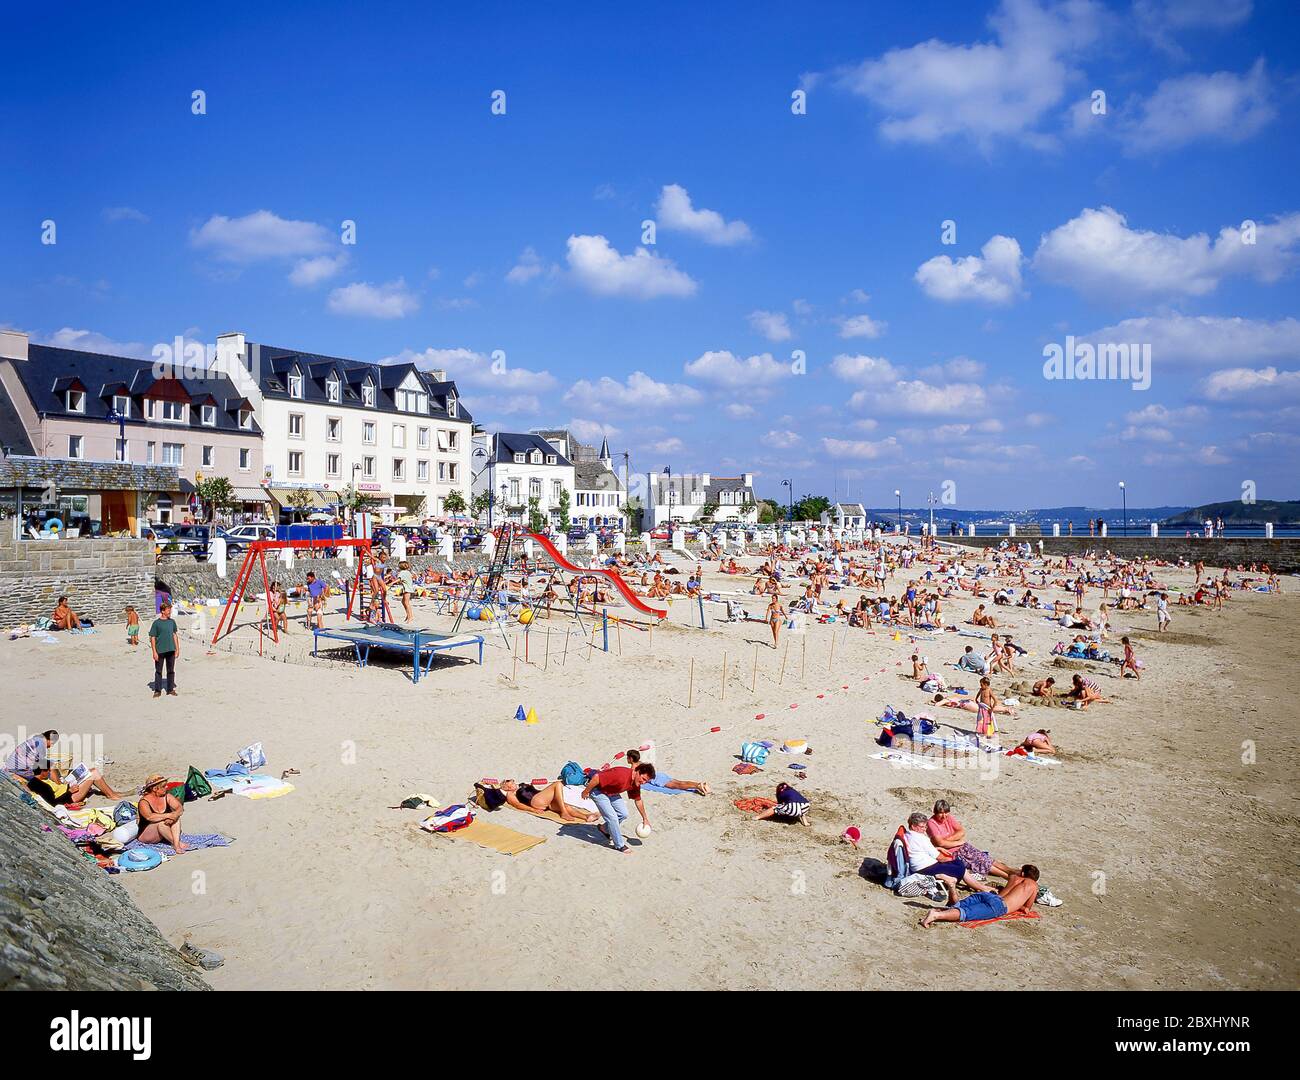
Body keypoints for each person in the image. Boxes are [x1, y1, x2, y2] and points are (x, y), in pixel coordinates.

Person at [920, 865, 1040, 927]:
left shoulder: (1014, 877)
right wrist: (1021, 905)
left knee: (957, 905)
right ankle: (937, 915)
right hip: (999, 906)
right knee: (966, 913)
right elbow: (1027, 908)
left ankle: (952, 887)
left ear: (1022, 873)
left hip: (988, 895)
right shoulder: (1033, 885)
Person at [904, 812, 993, 893]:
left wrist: (937, 848)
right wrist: (951, 858)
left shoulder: (908, 835)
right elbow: (940, 858)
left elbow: (919, 850)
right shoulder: (921, 838)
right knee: (959, 866)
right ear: (913, 826)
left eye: (925, 826)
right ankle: (981, 888)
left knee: (957, 864)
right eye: (922, 827)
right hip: (926, 868)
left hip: (918, 867)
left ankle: (977, 886)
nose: (924, 829)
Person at [927, 800, 1016, 881]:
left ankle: (1010, 870)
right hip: (951, 852)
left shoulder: (948, 818)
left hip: (960, 846)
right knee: (980, 862)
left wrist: (948, 840)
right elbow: (940, 843)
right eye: (941, 813)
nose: (944, 816)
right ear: (935, 812)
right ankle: (1007, 877)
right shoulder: (932, 823)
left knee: (984, 857)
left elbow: (961, 831)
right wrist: (957, 842)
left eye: (946, 812)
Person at [581, 762, 655, 853]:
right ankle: (619, 845)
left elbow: (638, 801)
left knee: (623, 814)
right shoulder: (621, 775)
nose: (643, 782)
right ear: (638, 772)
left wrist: (645, 819)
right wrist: (586, 791)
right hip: (597, 790)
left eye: (646, 781)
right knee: (612, 818)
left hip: (611, 793)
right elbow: (597, 777)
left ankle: (604, 829)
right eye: (643, 779)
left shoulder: (636, 783)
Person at [500, 779, 599, 824]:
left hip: (541, 799)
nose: (511, 784)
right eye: (508, 785)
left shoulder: (519, 785)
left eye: (511, 782)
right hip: (535, 801)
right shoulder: (510, 794)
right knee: (557, 784)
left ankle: (586, 817)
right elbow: (517, 805)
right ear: (506, 788)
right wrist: (532, 810)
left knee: (565, 805)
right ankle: (564, 813)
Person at [136, 774, 187, 853]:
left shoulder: (167, 796)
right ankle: (176, 844)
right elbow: (149, 817)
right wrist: (169, 815)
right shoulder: (144, 802)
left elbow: (179, 808)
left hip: (163, 831)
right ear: (155, 788)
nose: (166, 788)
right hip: (146, 834)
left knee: (176, 818)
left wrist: (174, 816)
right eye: (163, 786)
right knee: (161, 823)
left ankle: (176, 844)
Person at [625, 748, 709, 794]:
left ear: (631, 758)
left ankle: (697, 786)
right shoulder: (642, 763)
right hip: (660, 775)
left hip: (657, 779)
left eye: (628, 758)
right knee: (680, 782)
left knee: (678, 786)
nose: (627, 759)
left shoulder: (633, 769)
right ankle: (697, 784)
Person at [149, 600, 180, 698]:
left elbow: (174, 635)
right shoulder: (156, 623)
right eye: (168, 610)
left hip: (171, 649)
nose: (169, 611)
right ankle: (157, 691)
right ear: (162, 611)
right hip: (160, 650)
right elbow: (152, 637)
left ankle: (170, 689)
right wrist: (154, 651)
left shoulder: (172, 622)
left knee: (171, 671)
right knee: (159, 671)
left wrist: (177, 649)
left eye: (170, 610)